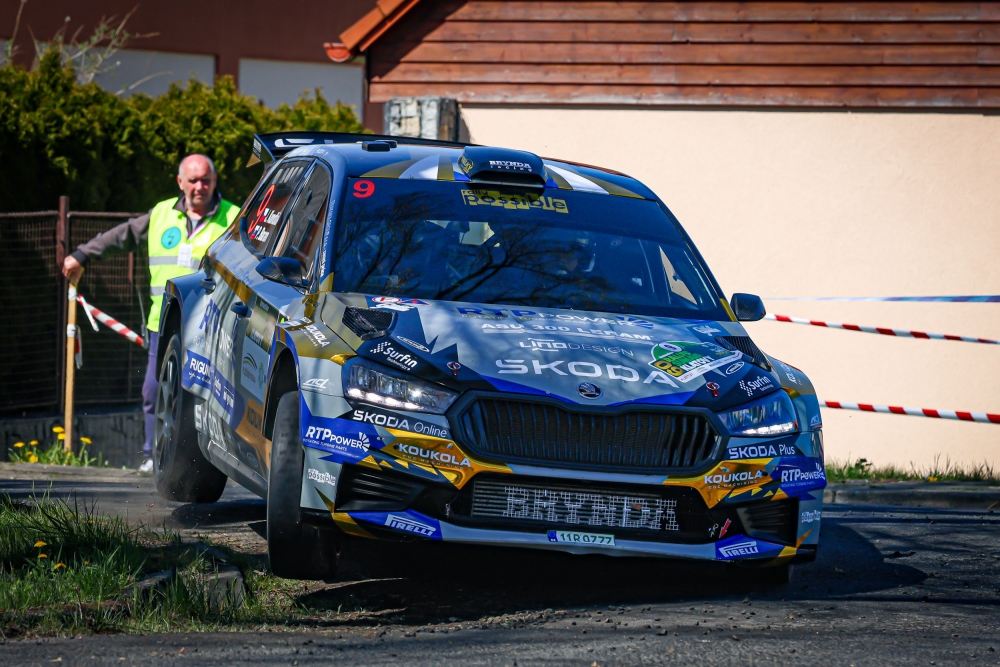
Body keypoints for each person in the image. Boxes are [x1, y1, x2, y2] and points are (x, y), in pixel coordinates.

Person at [62, 155, 240, 473]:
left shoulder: (234, 218)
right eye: (193, 180)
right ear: (180, 182)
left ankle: (209, 463)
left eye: (206, 180)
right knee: (155, 390)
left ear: (215, 181)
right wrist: (82, 254)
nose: (200, 186)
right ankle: (152, 455)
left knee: (208, 396)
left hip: (213, 325)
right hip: (165, 323)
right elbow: (121, 236)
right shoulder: (161, 214)